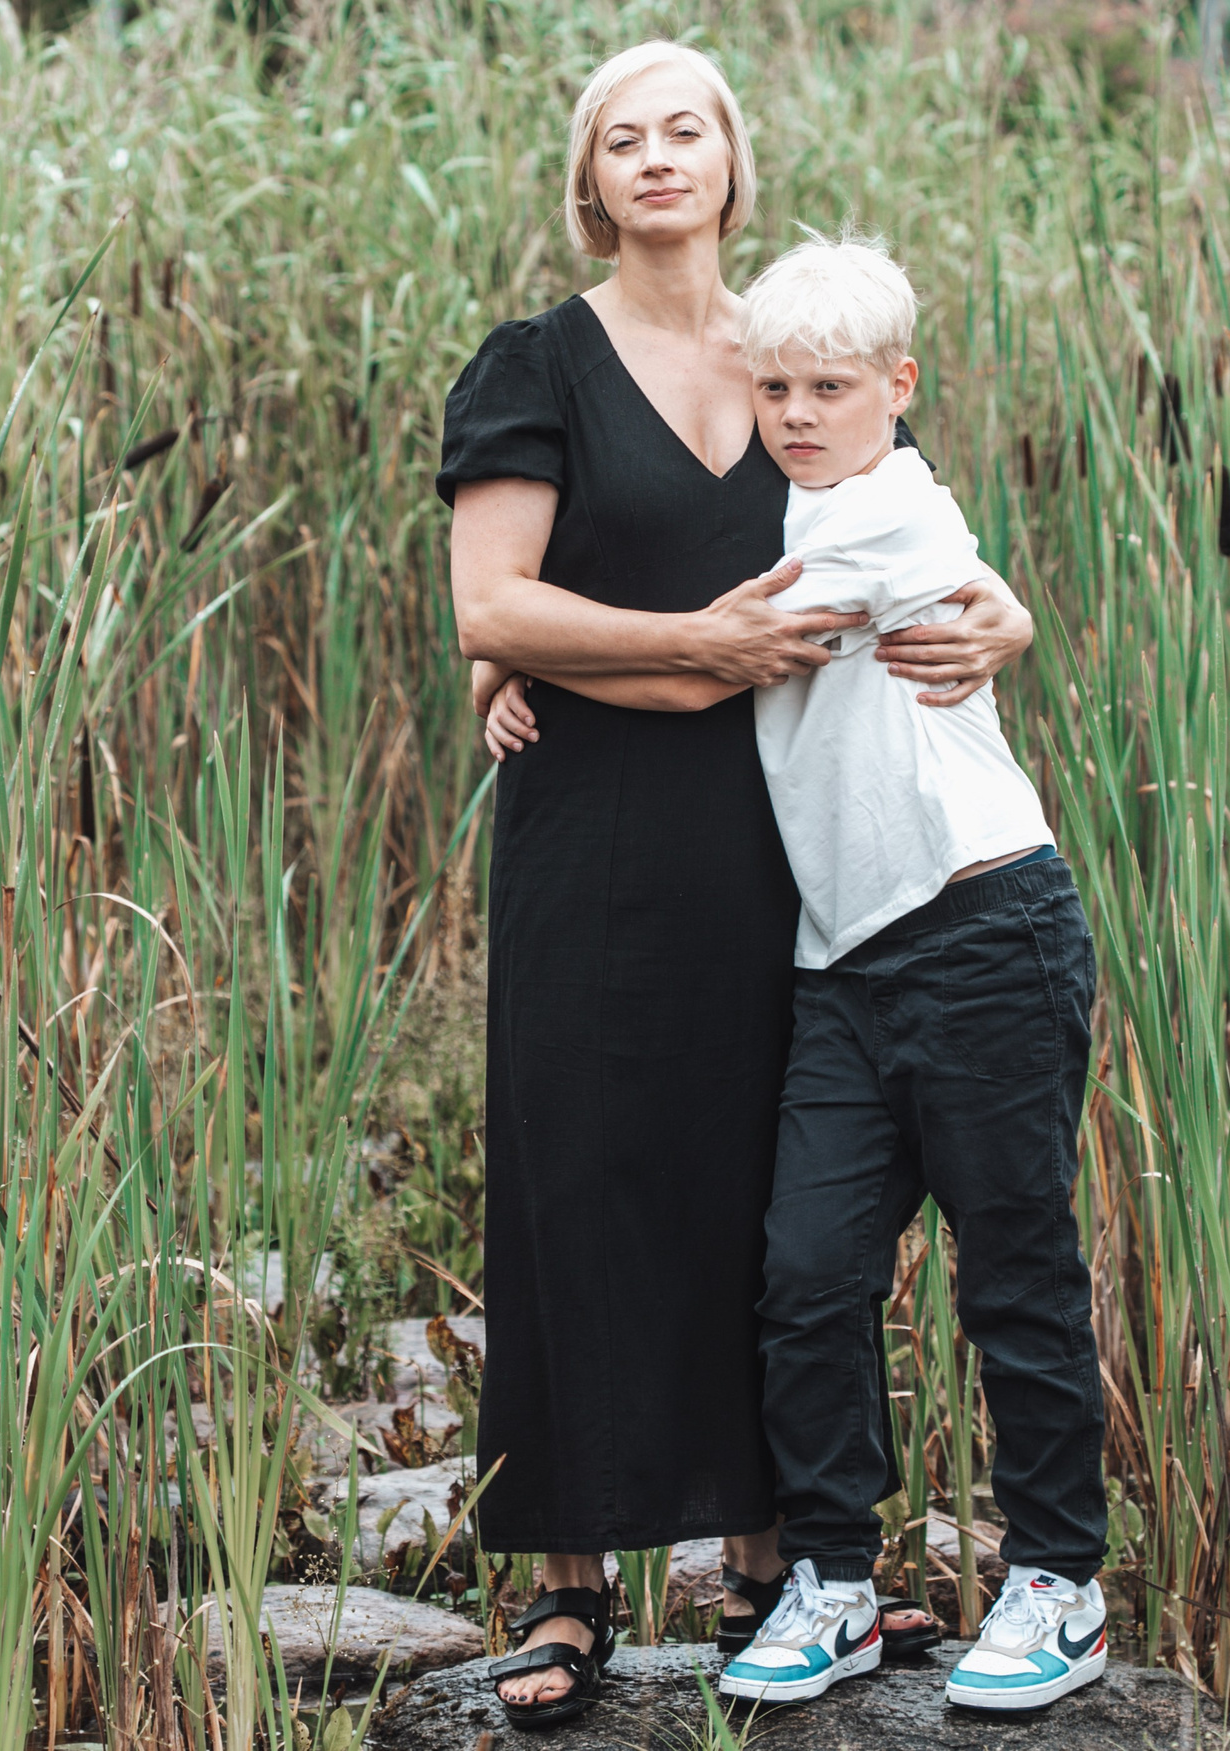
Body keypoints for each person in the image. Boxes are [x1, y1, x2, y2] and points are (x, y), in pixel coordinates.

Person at [437, 40, 1033, 1731]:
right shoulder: (537, 361)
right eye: (620, 139)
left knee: (773, 1204)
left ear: (730, 159)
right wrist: (683, 645)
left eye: (683, 128)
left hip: (788, 834)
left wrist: (1013, 618)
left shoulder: (793, 356)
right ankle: (564, 1590)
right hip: (596, 837)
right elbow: (493, 607)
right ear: (591, 178)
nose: (654, 158)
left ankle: (788, 1566)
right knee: (581, 1174)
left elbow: (921, 538)